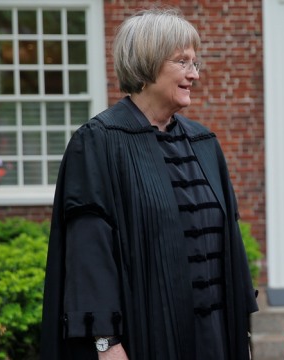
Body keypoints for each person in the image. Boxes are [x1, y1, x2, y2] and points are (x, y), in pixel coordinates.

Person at [40, 7, 258, 360]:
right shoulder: (99, 143)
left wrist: (240, 338)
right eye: (183, 62)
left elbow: (228, 249)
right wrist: (106, 345)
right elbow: (90, 255)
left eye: (195, 63)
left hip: (215, 339)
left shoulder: (203, 144)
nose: (194, 74)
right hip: (148, 338)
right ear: (148, 62)